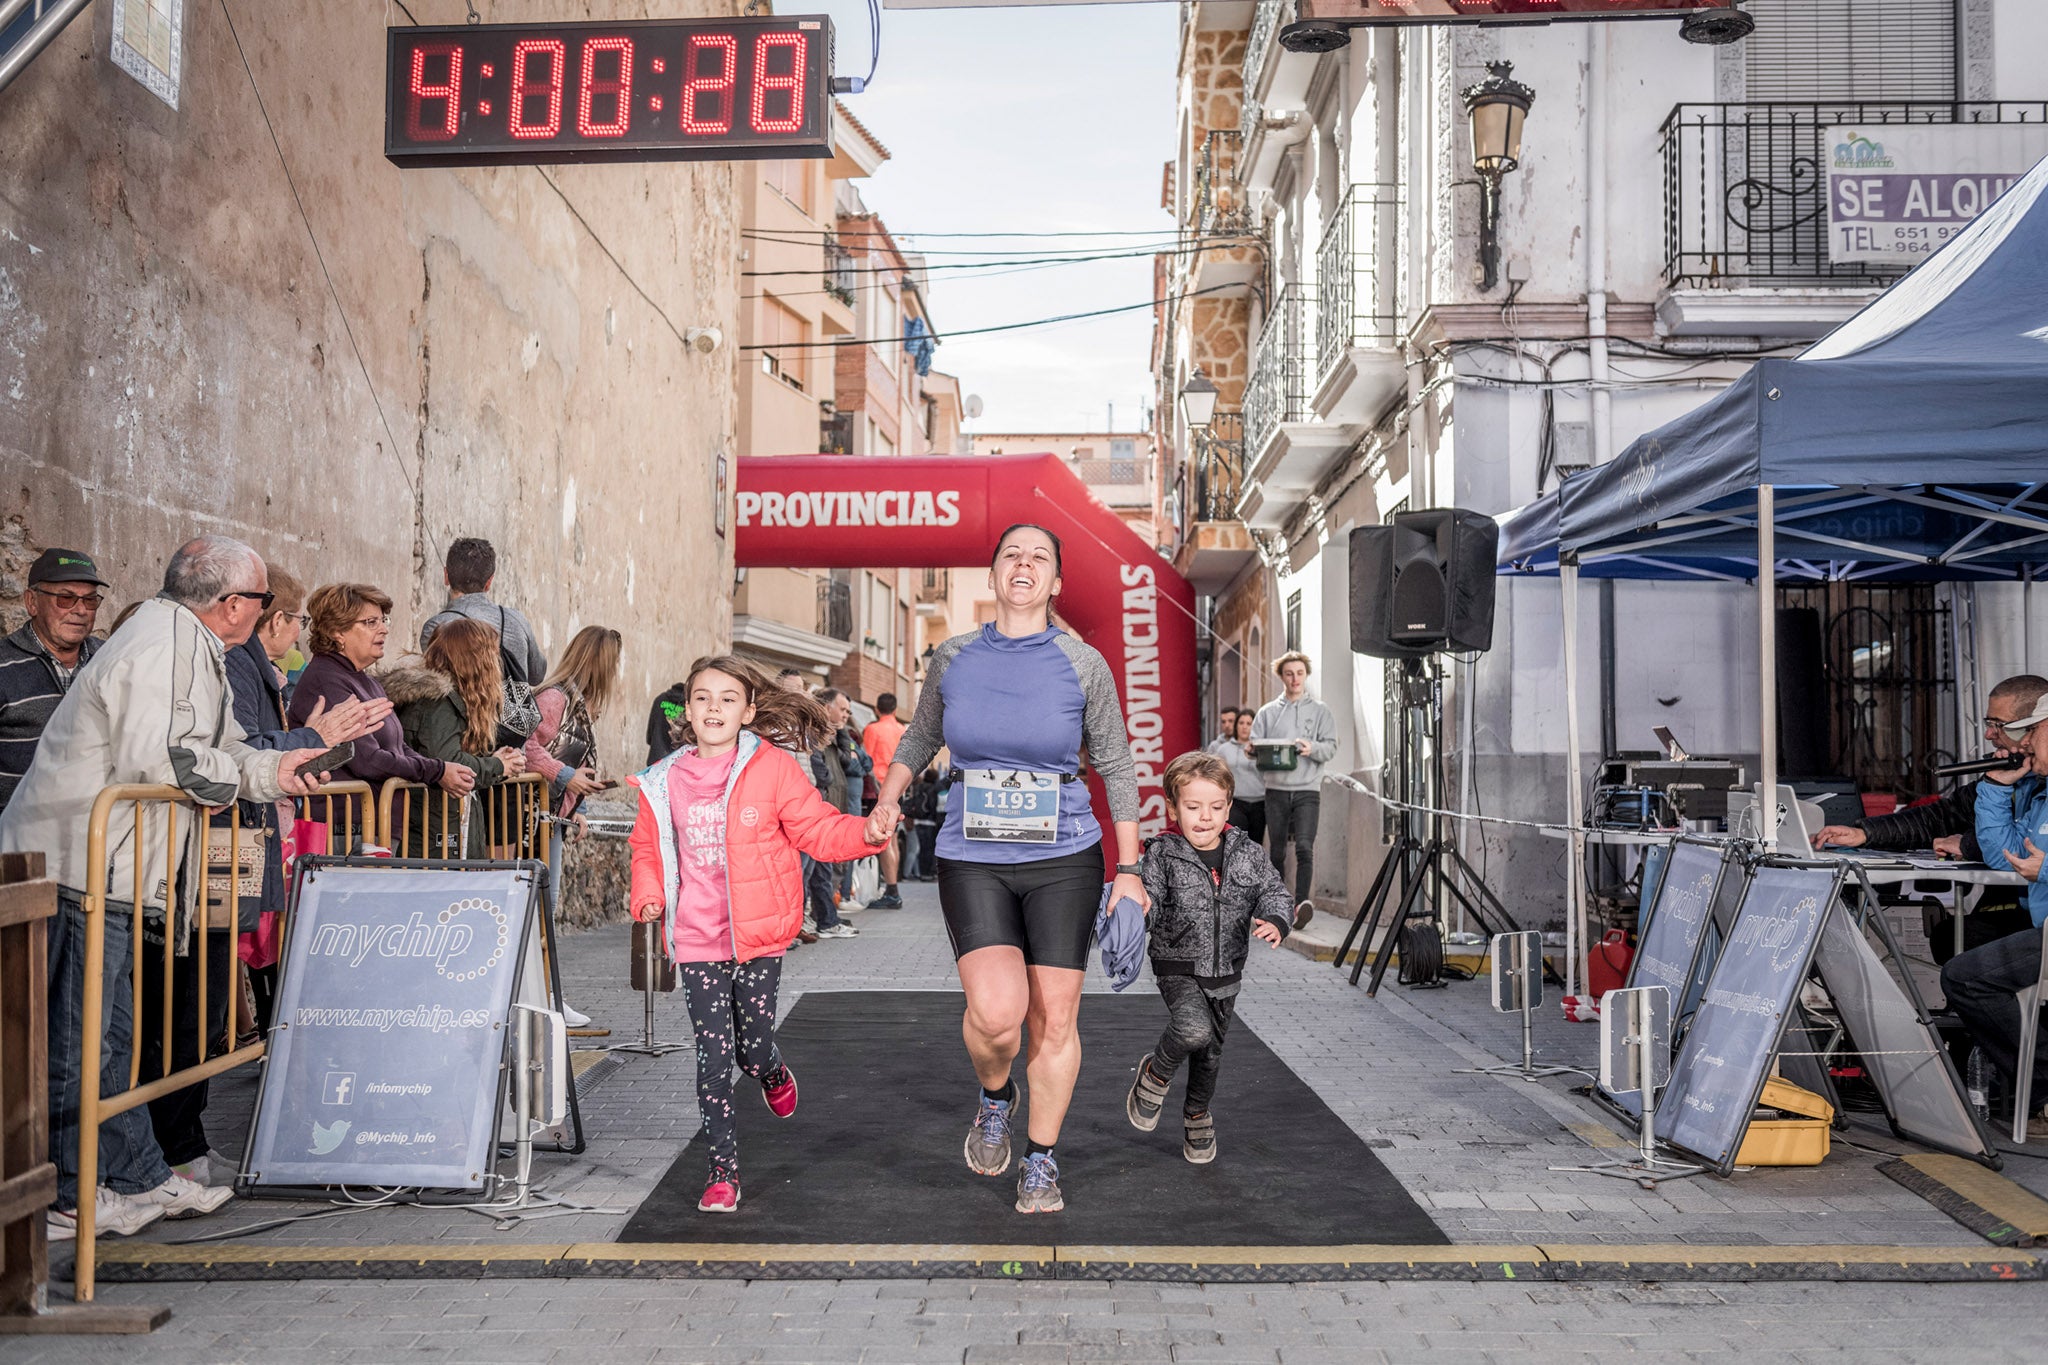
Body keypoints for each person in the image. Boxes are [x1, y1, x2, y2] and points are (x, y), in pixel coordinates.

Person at [1, 536, 343, 1240]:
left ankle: (131, 1174)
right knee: (83, 1036)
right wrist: (265, 774)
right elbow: (166, 759)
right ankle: (76, 1190)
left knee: (112, 1034)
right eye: (262, 600)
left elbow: (221, 744)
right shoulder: (168, 644)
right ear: (229, 605)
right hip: (78, 864)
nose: (264, 610)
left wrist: (276, 766)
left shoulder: (186, 642)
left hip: (111, 868)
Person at [871, 523, 1145, 1215]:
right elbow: (924, 731)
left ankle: (1041, 1159)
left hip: (1065, 854)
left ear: (1055, 582)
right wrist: (888, 793)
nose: (1023, 566)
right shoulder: (956, 656)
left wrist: (1132, 867)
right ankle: (996, 1097)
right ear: (994, 574)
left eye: (1039, 558)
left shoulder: (1083, 664)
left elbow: (1114, 761)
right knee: (997, 1017)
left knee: (1055, 1018)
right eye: (1010, 555)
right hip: (974, 854)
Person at [627, 656, 893, 1212]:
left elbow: (817, 828)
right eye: (703, 698)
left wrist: (866, 831)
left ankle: (770, 1068)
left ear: (748, 710)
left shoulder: (772, 769)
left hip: (759, 932)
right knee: (712, 1056)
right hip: (698, 935)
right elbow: (648, 849)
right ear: (687, 709)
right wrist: (648, 895)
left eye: (728, 699)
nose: (714, 708)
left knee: (750, 1046)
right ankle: (722, 1172)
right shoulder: (662, 780)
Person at [219, 567, 389, 1045]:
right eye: (297, 620)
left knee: (276, 945)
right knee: (264, 949)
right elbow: (249, 747)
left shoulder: (266, 668)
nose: (300, 632)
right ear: (275, 621)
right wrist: (315, 736)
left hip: (275, 822)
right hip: (257, 824)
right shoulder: (244, 663)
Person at [1810, 675, 2048, 962]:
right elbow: (1943, 816)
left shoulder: (2037, 779)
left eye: (1996, 725)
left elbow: (2017, 845)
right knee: (1951, 940)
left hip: (2030, 909)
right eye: (1987, 724)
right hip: (2018, 905)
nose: (1988, 735)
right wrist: (1864, 833)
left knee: (1966, 953)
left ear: (2031, 728)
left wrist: (1970, 844)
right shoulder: (2008, 775)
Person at [1126, 751, 1291, 1163]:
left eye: (1216, 807)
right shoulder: (1163, 854)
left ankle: (1197, 1114)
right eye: (1193, 807)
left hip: (1227, 970)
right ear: (1172, 807)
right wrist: (1139, 914)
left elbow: (1275, 891)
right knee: (1192, 1028)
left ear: (1229, 806)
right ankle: (1155, 1073)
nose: (1205, 817)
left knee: (1210, 1054)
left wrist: (1275, 918)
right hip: (1177, 965)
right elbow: (1151, 899)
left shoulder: (1248, 853)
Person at [289, 585, 475, 826]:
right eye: (370, 622)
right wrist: (436, 771)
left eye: (383, 620)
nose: (384, 629)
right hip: (344, 828)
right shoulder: (327, 681)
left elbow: (399, 747)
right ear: (337, 631)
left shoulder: (365, 680)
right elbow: (367, 759)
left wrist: (437, 769)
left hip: (377, 824)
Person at [1953, 688, 2048, 1139]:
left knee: (1967, 977)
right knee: (1966, 964)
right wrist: (1993, 789)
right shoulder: (2038, 790)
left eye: (2030, 735)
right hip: (2041, 925)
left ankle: (2041, 1087)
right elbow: (2005, 855)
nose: (2021, 747)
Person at [387, 619, 531, 857]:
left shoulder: (447, 699)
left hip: (440, 825)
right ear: (476, 660)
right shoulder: (437, 702)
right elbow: (448, 762)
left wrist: (494, 758)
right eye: (493, 655)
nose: (497, 664)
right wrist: (498, 766)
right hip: (430, 832)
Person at [0, 548, 109, 816]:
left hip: (96, 839)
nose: (81, 610)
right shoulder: (4, 666)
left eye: (90, 600)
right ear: (32, 602)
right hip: (20, 839)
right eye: (65, 598)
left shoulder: (111, 660)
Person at [1249, 651, 1337, 926]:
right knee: (1276, 850)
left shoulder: (1321, 711)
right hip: (1275, 788)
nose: (1295, 678)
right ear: (1282, 677)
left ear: (1306, 675)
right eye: (1289, 673)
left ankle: (1301, 904)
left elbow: (1332, 746)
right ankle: (1278, 904)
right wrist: (1252, 750)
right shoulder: (1267, 712)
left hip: (1308, 788)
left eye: (1299, 673)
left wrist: (1313, 748)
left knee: (1304, 846)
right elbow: (1254, 745)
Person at [419, 536, 547, 686]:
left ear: (446, 576)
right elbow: (537, 675)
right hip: (513, 709)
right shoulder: (517, 620)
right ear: (489, 582)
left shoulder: (435, 626)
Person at [804, 690, 865, 939]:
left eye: (849, 712)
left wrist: (841, 732)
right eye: (843, 710)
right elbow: (819, 769)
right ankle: (820, 920)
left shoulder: (834, 736)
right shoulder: (815, 735)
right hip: (820, 808)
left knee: (825, 870)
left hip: (833, 809)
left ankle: (826, 918)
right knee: (814, 870)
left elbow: (852, 761)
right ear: (826, 707)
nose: (846, 715)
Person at [862, 693, 909, 909]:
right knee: (894, 836)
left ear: (877, 709)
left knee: (883, 838)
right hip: (901, 787)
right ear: (895, 709)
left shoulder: (873, 729)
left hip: (880, 789)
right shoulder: (902, 729)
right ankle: (893, 885)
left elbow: (867, 760)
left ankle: (891, 890)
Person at [1210, 708, 1266, 846]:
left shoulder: (1262, 749)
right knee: (1235, 841)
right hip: (1236, 802)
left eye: (1249, 723)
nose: (1245, 727)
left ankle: (1252, 868)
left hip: (1259, 802)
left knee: (1255, 844)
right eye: (1241, 723)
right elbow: (1216, 774)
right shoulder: (1224, 749)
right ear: (1236, 726)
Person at [906, 767, 942, 881]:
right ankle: (927, 873)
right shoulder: (934, 788)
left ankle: (921, 873)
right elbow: (933, 805)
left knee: (919, 849)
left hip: (917, 821)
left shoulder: (917, 787)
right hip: (929, 822)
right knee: (929, 848)